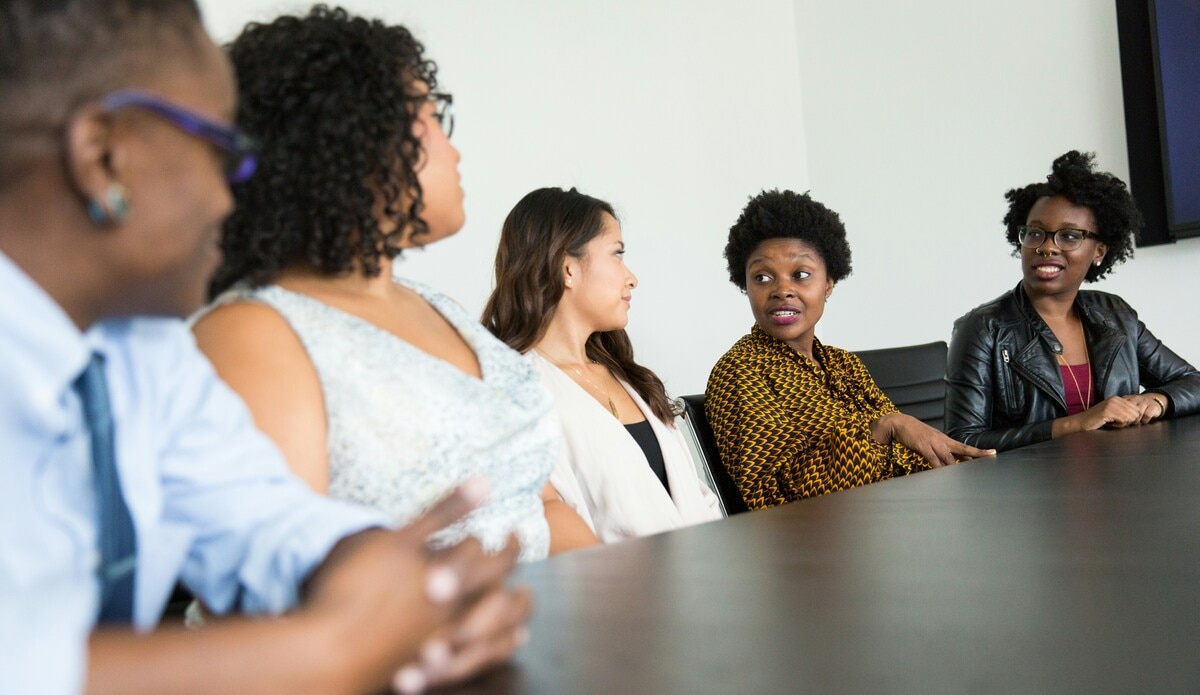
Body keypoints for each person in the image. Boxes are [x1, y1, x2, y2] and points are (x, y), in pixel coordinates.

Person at [0, 0, 529, 695]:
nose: (235, 194)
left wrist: (386, 579)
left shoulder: (143, 350)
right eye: (222, 151)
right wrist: (331, 655)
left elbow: (267, 520)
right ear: (102, 158)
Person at [191, 7, 598, 558]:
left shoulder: (439, 308)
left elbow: (539, 505)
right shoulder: (252, 334)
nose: (453, 149)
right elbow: (287, 585)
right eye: (432, 115)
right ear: (351, 137)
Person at [706, 189, 993, 511]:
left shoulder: (844, 363)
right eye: (762, 277)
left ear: (829, 284)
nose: (782, 290)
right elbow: (771, 495)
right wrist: (882, 428)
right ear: (746, 287)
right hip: (819, 536)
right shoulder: (740, 372)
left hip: (895, 512)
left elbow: (905, 451)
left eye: (801, 275)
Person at [481, 188, 724, 541]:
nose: (631, 277)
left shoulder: (630, 378)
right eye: (617, 254)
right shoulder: (516, 392)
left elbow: (698, 499)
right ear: (567, 268)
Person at [944, 151, 1200, 452]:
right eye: (1035, 233)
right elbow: (961, 442)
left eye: (1068, 236)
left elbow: (1192, 382)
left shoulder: (1115, 315)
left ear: (1099, 251)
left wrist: (1158, 400)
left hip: (1122, 472)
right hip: (1031, 481)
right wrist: (1075, 424)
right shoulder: (984, 328)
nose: (1047, 247)